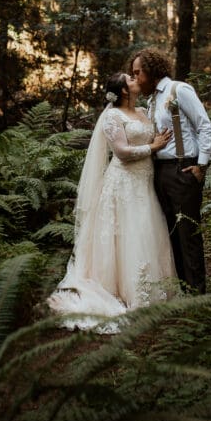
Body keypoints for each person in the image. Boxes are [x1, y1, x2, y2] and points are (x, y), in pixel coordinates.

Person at [47, 72, 177, 331]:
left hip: (144, 183)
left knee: (145, 234)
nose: (136, 79)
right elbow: (122, 152)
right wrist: (154, 147)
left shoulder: (142, 111)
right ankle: (121, 292)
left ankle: (155, 291)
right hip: (123, 184)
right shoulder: (112, 116)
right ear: (123, 90)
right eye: (130, 78)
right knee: (128, 235)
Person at [131, 48, 211, 294]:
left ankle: (197, 293)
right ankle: (182, 289)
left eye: (138, 73)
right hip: (160, 171)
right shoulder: (152, 100)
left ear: (152, 71)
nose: (135, 79)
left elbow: (205, 127)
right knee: (170, 233)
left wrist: (201, 165)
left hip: (183, 168)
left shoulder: (179, 90)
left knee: (188, 233)